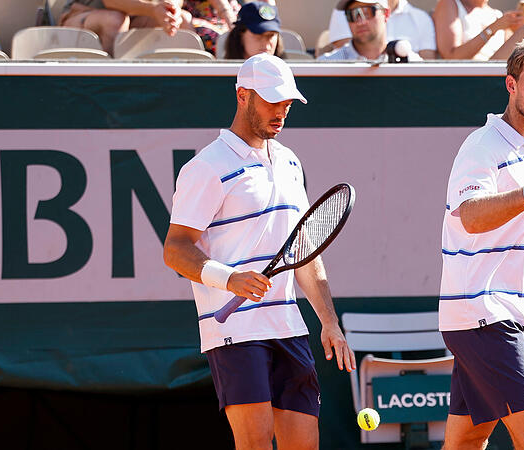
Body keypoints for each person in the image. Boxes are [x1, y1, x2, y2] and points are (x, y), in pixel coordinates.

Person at [163, 53, 355, 450]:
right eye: (271, 101)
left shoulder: (288, 161)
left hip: (288, 328)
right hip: (234, 331)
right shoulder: (206, 166)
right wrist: (229, 277)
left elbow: (304, 249)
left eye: (287, 103)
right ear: (242, 95)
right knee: (254, 444)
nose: (281, 111)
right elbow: (176, 249)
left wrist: (329, 321)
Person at [438, 36, 524, 450]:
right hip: (483, 315)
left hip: (502, 316)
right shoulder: (483, 145)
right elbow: (471, 216)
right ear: (511, 85)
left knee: (467, 439)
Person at [432, 0, 524, 61]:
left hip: (504, 71)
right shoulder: (450, 4)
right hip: (474, 76)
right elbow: (451, 57)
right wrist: (494, 28)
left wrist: (515, 30)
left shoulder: (496, 14)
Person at [58, 0, 194, 55]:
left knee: (182, 20)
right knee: (114, 20)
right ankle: (111, 90)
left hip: (135, 16)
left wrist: (171, 10)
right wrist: (153, 9)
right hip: (80, 15)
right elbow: (112, 2)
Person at [324, 0, 436, 59]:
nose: (361, 22)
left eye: (368, 12)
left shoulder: (411, 62)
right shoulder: (326, 65)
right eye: (352, 14)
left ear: (386, 14)